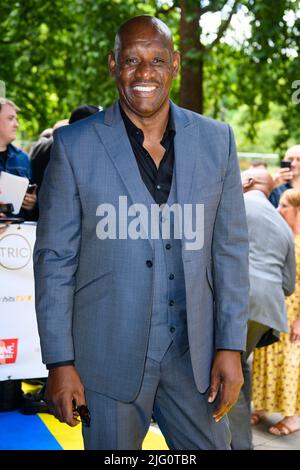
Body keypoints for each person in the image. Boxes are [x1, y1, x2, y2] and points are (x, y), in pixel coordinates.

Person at [34, 15, 249, 450]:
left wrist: (230, 345)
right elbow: (54, 261)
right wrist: (59, 361)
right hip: (105, 360)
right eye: (131, 60)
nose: (144, 72)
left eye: (156, 60)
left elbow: (230, 252)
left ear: (174, 65)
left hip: (196, 361)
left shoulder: (217, 140)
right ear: (114, 65)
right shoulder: (74, 146)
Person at [228, 169, 295, 449]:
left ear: (248, 182)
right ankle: (241, 442)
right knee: (237, 367)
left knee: (222, 372)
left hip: (239, 300)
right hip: (268, 310)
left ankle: (234, 443)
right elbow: (288, 284)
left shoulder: (236, 204)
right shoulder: (282, 225)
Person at [252, 188, 300, 436]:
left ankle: (293, 415)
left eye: (284, 206)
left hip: (294, 313)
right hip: (275, 307)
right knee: (266, 358)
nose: (279, 210)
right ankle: (262, 404)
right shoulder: (283, 234)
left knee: (289, 364)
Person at [0, 98, 37, 218]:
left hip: (17, 233)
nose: (17, 124)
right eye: (11, 118)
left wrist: (32, 203)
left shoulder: (23, 158)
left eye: (16, 119)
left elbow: (34, 208)